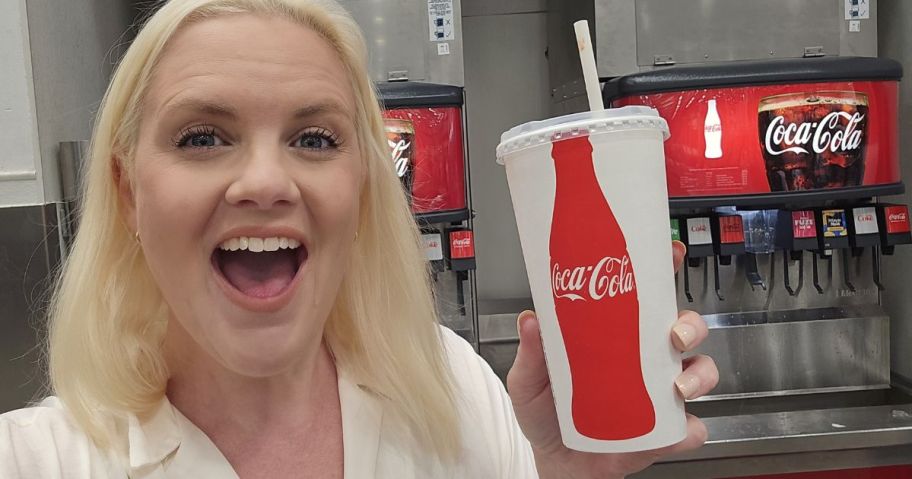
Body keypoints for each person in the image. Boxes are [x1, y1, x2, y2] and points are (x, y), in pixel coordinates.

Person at [0, 0, 718, 477]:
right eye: (202, 137)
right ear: (129, 192)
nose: (265, 181)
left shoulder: (454, 390)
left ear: (364, 189)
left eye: (314, 137)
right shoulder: (34, 460)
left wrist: (561, 471)